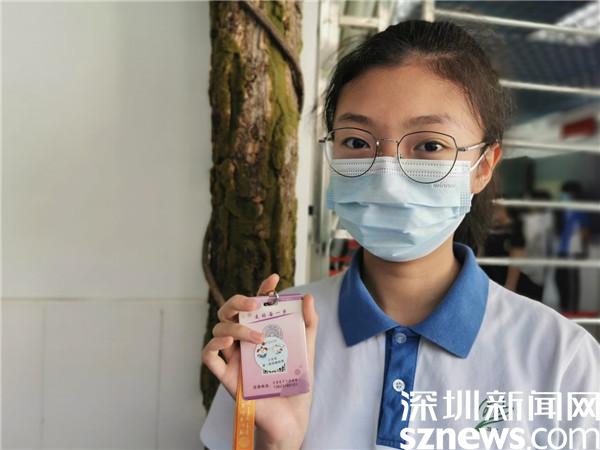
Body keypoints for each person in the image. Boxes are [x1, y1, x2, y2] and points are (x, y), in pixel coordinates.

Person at [200, 20, 600, 450]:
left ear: (483, 167)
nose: (387, 178)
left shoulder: (559, 358)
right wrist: (275, 444)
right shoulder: (274, 339)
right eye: (357, 142)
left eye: (429, 146)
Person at [481, 203, 544, 301]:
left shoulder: (514, 229)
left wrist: (510, 285)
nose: (493, 212)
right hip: (492, 276)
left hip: (508, 279)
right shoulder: (489, 230)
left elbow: (516, 259)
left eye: (497, 209)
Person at [554, 181, 591, 313]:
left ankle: (572, 311)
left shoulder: (580, 211)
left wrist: (583, 249)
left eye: (566, 193)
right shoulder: (562, 211)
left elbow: (585, 232)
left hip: (573, 251)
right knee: (560, 279)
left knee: (571, 283)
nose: (563, 196)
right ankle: (564, 308)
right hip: (562, 250)